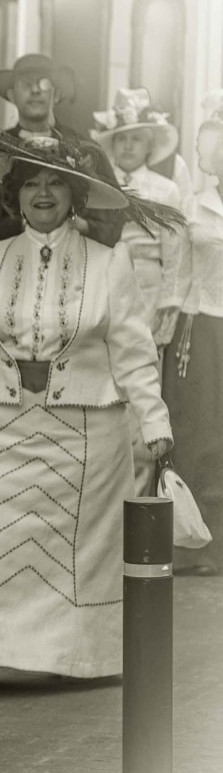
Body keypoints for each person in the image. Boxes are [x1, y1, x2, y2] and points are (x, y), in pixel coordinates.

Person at [0, 126, 176, 690]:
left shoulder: (109, 264)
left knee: (76, 552)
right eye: (31, 183)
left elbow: (134, 353)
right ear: (12, 195)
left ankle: (75, 653)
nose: (42, 193)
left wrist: (154, 420)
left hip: (85, 433)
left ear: (75, 196)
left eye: (55, 184)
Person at [91, 87, 190, 494]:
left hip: (147, 290)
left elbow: (176, 254)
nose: (128, 146)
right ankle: (102, 488)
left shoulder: (165, 190)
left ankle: (139, 494)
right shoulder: (99, 186)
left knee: (141, 391)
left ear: (149, 146)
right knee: (103, 388)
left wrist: (168, 307)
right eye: (122, 139)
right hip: (103, 290)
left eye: (136, 139)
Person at [0, 53, 126, 249]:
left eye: (44, 83)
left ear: (56, 94)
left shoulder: (86, 150)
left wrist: (75, 224)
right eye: (25, 84)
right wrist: (24, 224)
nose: (35, 90)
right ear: (11, 95)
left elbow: (112, 230)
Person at [164, 102, 223, 577]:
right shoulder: (193, 207)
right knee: (199, 432)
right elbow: (177, 275)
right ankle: (196, 544)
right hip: (200, 329)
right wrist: (165, 334)